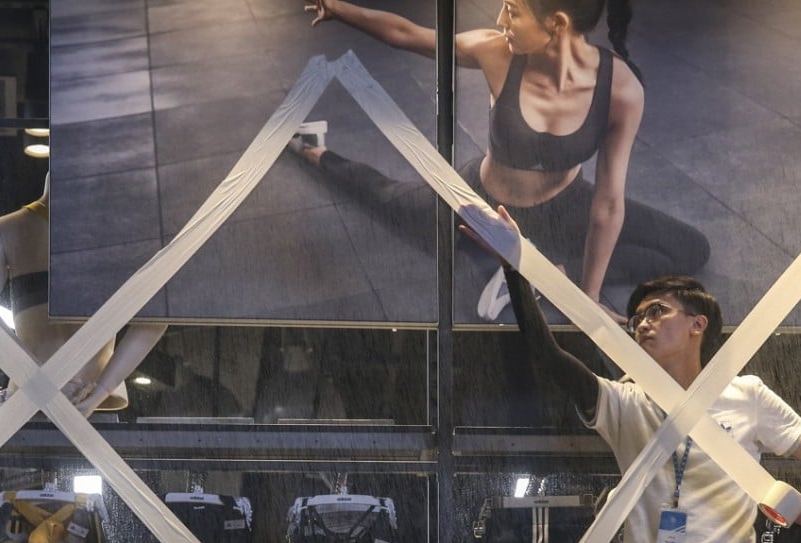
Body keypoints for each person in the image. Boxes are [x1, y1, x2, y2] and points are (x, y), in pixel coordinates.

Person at [462, 207, 801, 543]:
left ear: (697, 324)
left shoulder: (744, 394)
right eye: (635, 319)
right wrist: (516, 265)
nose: (641, 324)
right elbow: (549, 358)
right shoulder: (624, 402)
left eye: (656, 312)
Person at [295, 0, 710, 322]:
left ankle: (546, 275)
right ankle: (312, 148)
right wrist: (339, 8)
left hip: (566, 209)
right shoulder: (497, 53)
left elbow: (608, 201)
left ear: (558, 24)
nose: (499, 19)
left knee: (690, 248)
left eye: (513, 10)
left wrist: (585, 295)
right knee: (387, 198)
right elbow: (407, 33)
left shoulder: (620, 88)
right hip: (480, 204)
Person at [0, 174, 167, 418]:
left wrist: (95, 389)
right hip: (65, 398)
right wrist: (99, 388)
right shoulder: (5, 231)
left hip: (66, 398)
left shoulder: (5, 231)